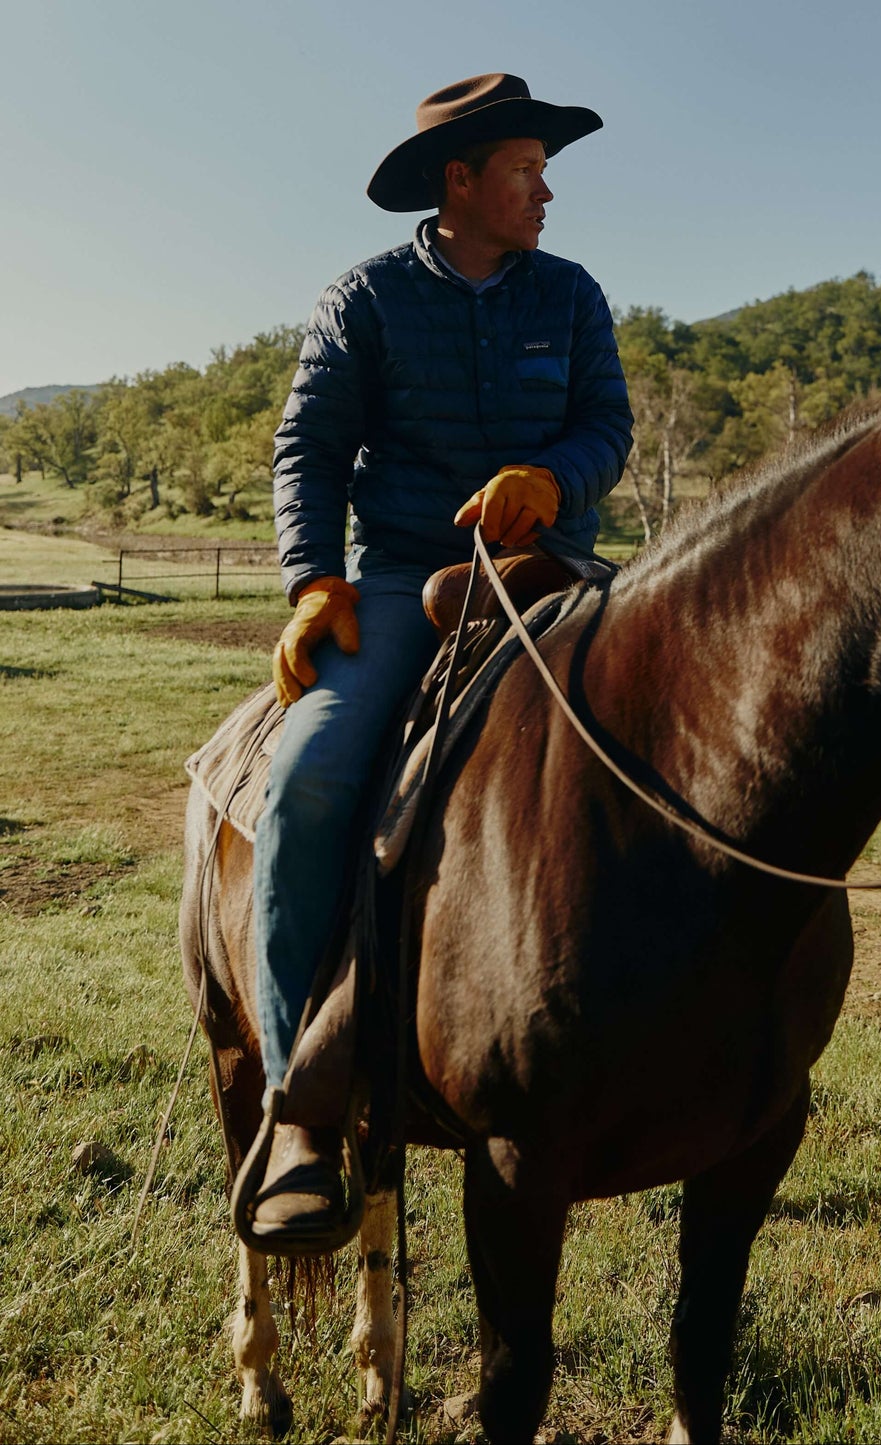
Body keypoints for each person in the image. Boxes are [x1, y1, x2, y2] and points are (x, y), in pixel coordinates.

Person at [247, 72, 633, 1243]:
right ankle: (296, 1108)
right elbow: (307, 446)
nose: (546, 189)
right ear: (458, 182)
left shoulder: (569, 296)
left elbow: (605, 425)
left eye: (541, 169)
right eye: (525, 169)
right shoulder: (360, 299)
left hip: (550, 574)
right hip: (402, 578)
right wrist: (313, 579)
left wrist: (554, 477)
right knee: (308, 778)